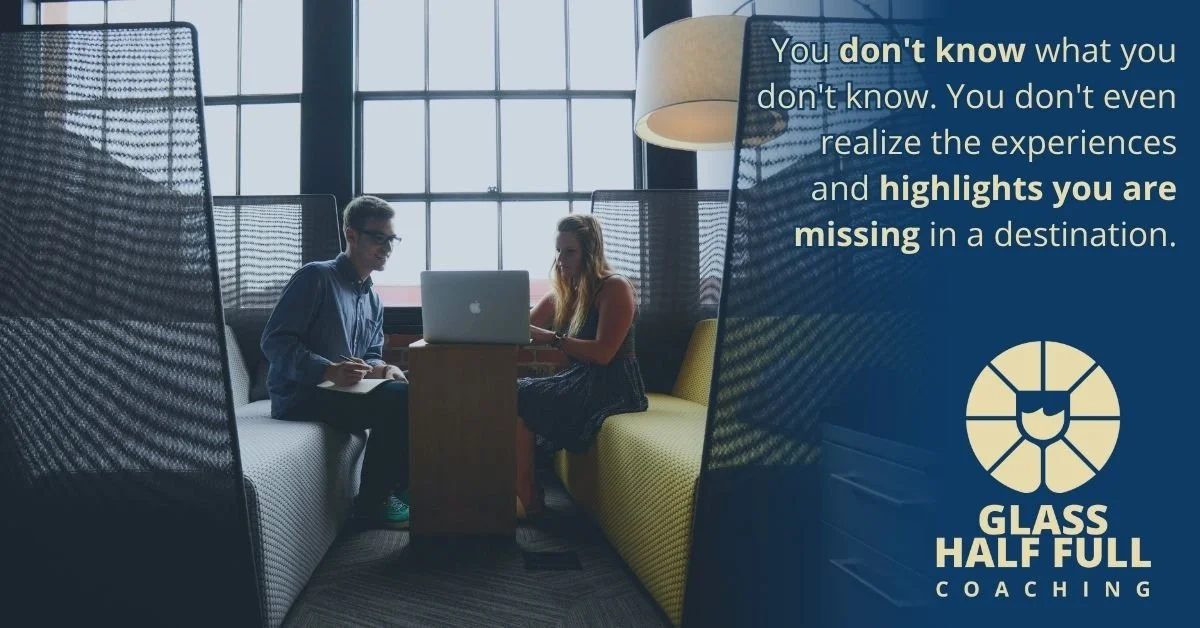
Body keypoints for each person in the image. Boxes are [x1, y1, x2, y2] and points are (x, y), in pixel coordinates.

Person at [260, 195, 411, 529]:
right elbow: (275, 341)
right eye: (378, 237)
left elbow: (370, 353)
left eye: (392, 239)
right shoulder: (315, 277)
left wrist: (383, 368)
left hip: (345, 392)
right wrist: (327, 370)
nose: (387, 247)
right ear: (351, 235)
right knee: (400, 400)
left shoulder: (372, 298)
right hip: (302, 396)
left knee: (417, 387)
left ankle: (407, 486)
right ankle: (372, 504)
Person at [520, 215, 649, 506]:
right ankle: (524, 489)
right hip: (581, 378)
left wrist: (551, 338)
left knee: (523, 394)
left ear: (589, 253)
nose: (561, 259)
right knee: (517, 391)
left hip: (615, 384)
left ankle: (526, 494)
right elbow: (523, 327)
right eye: (558, 251)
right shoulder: (566, 292)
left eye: (570, 252)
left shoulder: (614, 287)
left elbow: (603, 354)